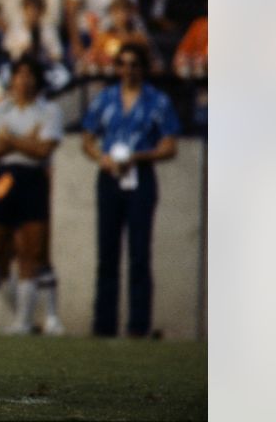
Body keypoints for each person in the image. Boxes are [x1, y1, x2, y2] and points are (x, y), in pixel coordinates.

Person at [81, 42, 180, 338]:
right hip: (110, 176)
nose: (128, 69)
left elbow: (169, 144)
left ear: (143, 68)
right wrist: (103, 158)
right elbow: (87, 137)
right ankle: (104, 324)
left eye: (134, 64)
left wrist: (139, 157)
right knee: (107, 252)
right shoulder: (106, 98)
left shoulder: (157, 101)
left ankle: (138, 325)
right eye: (123, 63)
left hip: (140, 175)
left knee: (139, 253)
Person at [0, 55, 65, 336]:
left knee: (33, 251)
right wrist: (27, 141)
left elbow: (44, 150)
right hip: (5, 176)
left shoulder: (49, 110)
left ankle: (24, 320)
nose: (24, 79)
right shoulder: (0, 109)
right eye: (19, 74)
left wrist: (9, 140)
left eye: (29, 74)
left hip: (33, 178)